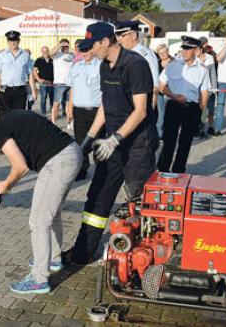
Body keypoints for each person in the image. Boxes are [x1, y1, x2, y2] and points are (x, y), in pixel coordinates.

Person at [0, 89, 82, 294]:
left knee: (38, 221)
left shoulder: (0, 128)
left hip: (58, 161)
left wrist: (5, 185)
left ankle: (39, 279)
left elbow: (20, 167)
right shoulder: (13, 115)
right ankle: (53, 259)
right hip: (72, 152)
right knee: (50, 214)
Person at [67, 22, 158, 265]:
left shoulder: (135, 65)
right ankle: (83, 252)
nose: (90, 52)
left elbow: (140, 111)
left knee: (140, 204)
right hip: (111, 144)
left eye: (92, 47)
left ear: (106, 41)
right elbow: (105, 108)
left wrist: (116, 138)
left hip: (137, 146)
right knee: (97, 197)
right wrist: (86, 141)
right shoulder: (104, 67)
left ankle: (141, 262)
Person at [156, 36, 210, 173]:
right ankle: (162, 169)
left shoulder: (202, 70)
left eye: (188, 49)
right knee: (169, 141)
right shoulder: (172, 66)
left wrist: (201, 111)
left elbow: (204, 93)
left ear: (195, 50)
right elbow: (161, 86)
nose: (184, 52)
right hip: (173, 106)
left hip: (192, 108)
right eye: (183, 48)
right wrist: (174, 96)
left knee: (185, 143)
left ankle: (178, 171)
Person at [66, 42, 102, 181]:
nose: (84, 54)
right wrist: (70, 107)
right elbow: (72, 88)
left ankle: (100, 170)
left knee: (98, 141)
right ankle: (82, 169)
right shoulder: (76, 66)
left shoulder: (100, 66)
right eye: (82, 52)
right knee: (80, 142)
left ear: (92, 50)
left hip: (96, 110)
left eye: (86, 51)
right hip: (79, 111)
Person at [0, 30, 35, 109]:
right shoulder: (1, 55)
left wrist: (33, 91)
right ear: (8, 42)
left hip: (20, 90)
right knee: (5, 115)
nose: (13, 43)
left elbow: (30, 74)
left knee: (19, 115)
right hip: (5, 89)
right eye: (11, 41)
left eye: (15, 40)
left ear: (19, 41)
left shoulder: (25, 55)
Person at [195, 37, 217, 139]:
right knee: (201, 110)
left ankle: (208, 128)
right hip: (198, 90)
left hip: (208, 88)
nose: (196, 51)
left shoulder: (209, 58)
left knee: (210, 110)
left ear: (201, 49)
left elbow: (213, 74)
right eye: (195, 49)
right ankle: (200, 129)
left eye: (197, 49)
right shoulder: (194, 60)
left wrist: (214, 87)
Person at [50, 39, 75, 124]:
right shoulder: (57, 55)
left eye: (66, 46)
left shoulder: (71, 55)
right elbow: (51, 52)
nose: (65, 48)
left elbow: (79, 54)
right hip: (59, 83)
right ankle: (53, 123)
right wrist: (60, 45)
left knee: (69, 105)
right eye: (63, 46)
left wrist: (69, 47)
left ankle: (69, 122)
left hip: (70, 83)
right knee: (56, 104)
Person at [155, 43, 173, 138]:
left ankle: (168, 133)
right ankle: (159, 134)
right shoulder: (156, 62)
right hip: (159, 92)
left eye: (164, 52)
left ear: (167, 51)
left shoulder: (174, 61)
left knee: (170, 114)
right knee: (161, 113)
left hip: (171, 91)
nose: (162, 54)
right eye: (160, 53)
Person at [33, 46, 54, 116]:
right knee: (43, 99)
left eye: (46, 51)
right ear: (41, 52)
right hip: (43, 83)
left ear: (48, 51)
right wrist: (38, 79)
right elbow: (34, 71)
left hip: (52, 82)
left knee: (52, 99)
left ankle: (53, 113)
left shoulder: (53, 60)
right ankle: (43, 114)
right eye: (43, 51)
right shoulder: (38, 60)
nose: (45, 53)